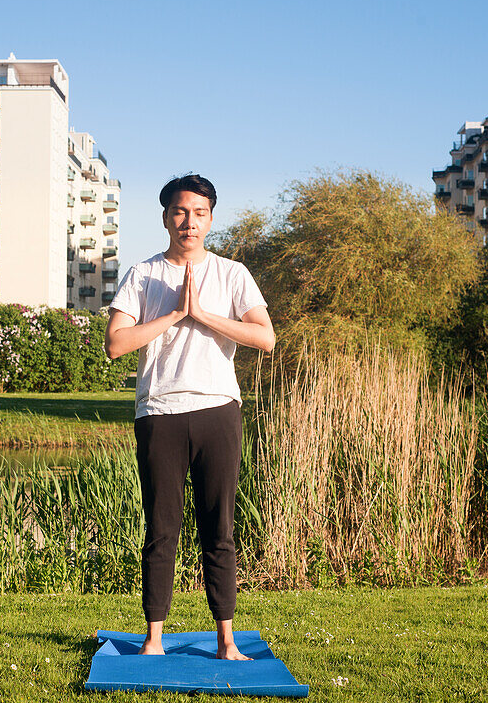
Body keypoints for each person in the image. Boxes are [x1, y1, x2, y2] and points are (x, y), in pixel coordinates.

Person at [105, 174, 275, 661]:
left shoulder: (233, 274)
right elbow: (117, 344)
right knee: (161, 529)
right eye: (180, 212)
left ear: (211, 219)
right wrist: (177, 315)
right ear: (165, 218)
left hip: (218, 410)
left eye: (199, 213)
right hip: (160, 412)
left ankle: (227, 642)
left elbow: (265, 338)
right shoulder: (142, 274)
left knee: (218, 528)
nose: (189, 222)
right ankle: (153, 640)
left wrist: (203, 314)